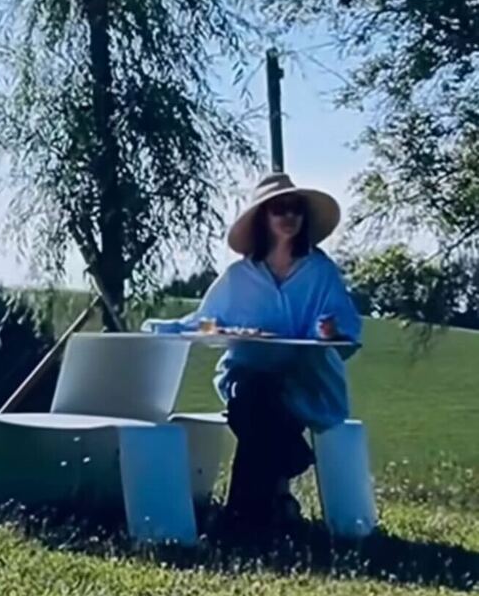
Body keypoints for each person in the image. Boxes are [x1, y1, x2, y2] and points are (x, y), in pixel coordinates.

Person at [143, 172, 362, 526]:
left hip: (306, 381)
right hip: (245, 376)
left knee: (254, 406)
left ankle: (244, 517)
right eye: (279, 208)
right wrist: (209, 329)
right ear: (264, 218)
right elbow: (205, 322)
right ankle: (285, 471)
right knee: (254, 397)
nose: (288, 215)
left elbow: (344, 329)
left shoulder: (321, 272)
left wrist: (328, 331)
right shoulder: (238, 276)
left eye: (295, 208)